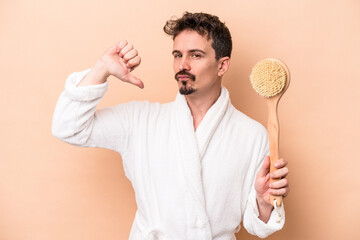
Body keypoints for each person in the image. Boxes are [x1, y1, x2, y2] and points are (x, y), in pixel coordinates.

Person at [52, 12, 289, 240]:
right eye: (177, 55)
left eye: (195, 55)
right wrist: (101, 69)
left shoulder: (252, 135)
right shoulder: (140, 120)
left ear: (222, 66)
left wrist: (263, 201)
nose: (182, 65)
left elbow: (256, 225)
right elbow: (68, 127)